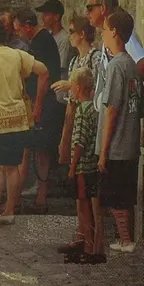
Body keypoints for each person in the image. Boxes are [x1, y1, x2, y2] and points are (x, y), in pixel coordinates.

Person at [0, 20, 50, 227]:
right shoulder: (17, 55)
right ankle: (9, 211)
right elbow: (43, 71)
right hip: (16, 119)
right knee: (12, 167)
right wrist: (37, 103)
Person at [96, 10, 141, 253]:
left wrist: (103, 151)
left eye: (104, 29)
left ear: (114, 31)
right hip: (131, 142)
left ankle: (126, 239)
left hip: (118, 144)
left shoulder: (115, 66)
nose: (102, 33)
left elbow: (112, 110)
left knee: (116, 196)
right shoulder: (132, 65)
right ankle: (127, 238)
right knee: (126, 194)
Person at [14, 8, 64, 214]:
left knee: (36, 151)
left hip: (44, 103)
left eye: (18, 30)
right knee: (34, 151)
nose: (17, 34)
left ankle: (36, 198)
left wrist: (38, 105)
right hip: (40, 102)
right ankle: (33, 197)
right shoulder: (39, 41)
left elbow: (44, 76)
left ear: (27, 26)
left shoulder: (41, 41)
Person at [58, 66, 105, 264]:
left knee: (84, 208)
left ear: (78, 87)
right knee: (88, 207)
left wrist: (71, 166)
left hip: (83, 167)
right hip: (91, 165)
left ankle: (88, 246)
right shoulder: (93, 109)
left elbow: (79, 142)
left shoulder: (83, 110)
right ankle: (88, 244)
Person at [52, 16, 102, 165]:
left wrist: (70, 84)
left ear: (82, 34)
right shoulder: (74, 61)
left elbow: (98, 87)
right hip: (73, 112)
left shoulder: (95, 58)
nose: (69, 35)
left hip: (88, 116)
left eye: (72, 31)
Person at [36, 0, 76, 105]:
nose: (43, 18)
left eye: (46, 14)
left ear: (56, 17)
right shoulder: (49, 36)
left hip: (59, 94)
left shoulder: (64, 39)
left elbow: (59, 67)